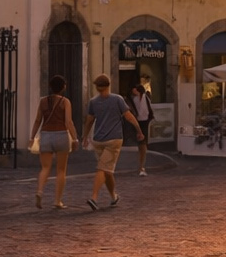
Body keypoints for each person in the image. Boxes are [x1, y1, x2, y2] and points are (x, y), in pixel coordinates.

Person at [83, 74, 143, 212]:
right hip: (114, 139)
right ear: (109, 85)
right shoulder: (117, 99)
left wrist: (85, 136)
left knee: (103, 168)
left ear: (97, 87)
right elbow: (129, 117)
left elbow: (89, 120)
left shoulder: (93, 102)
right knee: (106, 170)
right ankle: (112, 196)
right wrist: (139, 130)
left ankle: (94, 197)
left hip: (98, 140)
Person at [30, 74, 77, 209]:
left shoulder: (43, 101)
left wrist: (32, 137)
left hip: (46, 135)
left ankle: (39, 191)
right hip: (61, 135)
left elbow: (38, 120)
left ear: (50, 87)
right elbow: (68, 122)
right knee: (61, 170)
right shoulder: (65, 102)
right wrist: (75, 138)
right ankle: (57, 201)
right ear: (63, 87)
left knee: (45, 168)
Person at [128, 83, 154, 176]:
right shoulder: (134, 99)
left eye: (134, 89)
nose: (133, 91)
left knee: (142, 142)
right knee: (141, 142)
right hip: (138, 121)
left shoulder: (145, 98)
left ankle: (141, 164)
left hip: (144, 122)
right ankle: (141, 164)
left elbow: (146, 110)